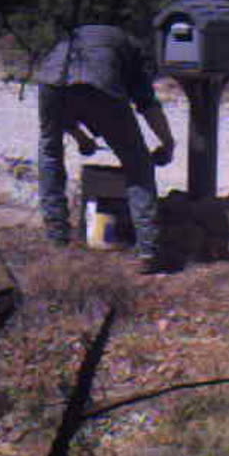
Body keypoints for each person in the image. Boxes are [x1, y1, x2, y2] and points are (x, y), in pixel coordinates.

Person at [32, 23, 176, 273]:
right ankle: (148, 251)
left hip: (50, 82)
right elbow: (146, 103)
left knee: (49, 152)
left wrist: (81, 138)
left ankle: (57, 239)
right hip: (99, 84)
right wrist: (167, 142)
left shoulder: (73, 36)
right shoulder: (131, 49)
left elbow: (66, 94)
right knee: (137, 163)